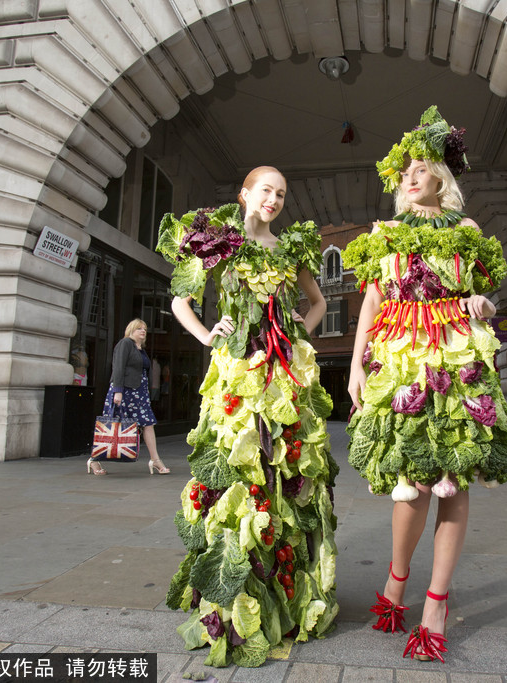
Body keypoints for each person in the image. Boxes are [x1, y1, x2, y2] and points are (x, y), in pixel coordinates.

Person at [344, 107, 507, 663]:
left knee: (454, 481)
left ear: (441, 176)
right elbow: (372, 302)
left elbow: (484, 299)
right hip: (402, 358)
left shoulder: (467, 232)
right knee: (412, 481)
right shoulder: (385, 234)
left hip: (457, 355)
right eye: (406, 171)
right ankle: (397, 580)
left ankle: (436, 604)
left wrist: (482, 304)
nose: (411, 177)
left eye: (421, 168)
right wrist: (355, 366)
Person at [158, 167, 339, 667]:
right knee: (235, 471)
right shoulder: (221, 243)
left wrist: (302, 328)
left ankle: (283, 589)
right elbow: (179, 299)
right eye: (266, 191)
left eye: (281, 194)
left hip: (284, 374)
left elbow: (318, 303)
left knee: (285, 471)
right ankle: (232, 594)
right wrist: (205, 334)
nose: (273, 200)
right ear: (244, 194)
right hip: (237, 371)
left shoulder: (290, 249)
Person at [87, 319, 170, 475]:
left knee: (148, 423)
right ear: (131, 330)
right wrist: (118, 390)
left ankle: (155, 460)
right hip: (125, 391)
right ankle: (94, 459)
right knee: (110, 425)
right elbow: (118, 367)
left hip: (140, 393)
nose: (143, 331)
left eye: (145, 329)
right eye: (139, 328)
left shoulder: (141, 349)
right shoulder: (125, 344)